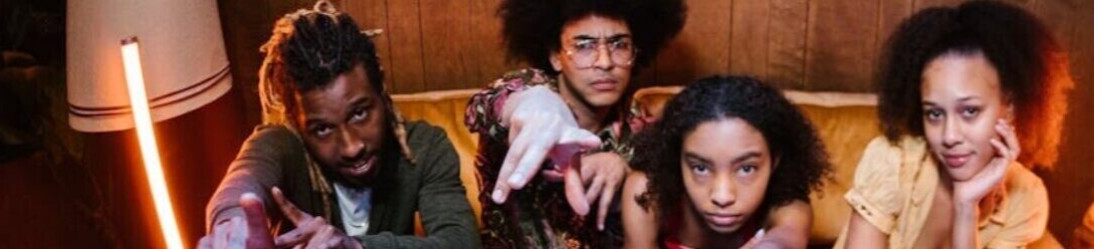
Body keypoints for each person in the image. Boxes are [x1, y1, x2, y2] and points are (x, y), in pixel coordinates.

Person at [196, 2, 477, 248]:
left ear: (381, 87)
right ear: (296, 122)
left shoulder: (425, 148)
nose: (352, 147)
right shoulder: (282, 145)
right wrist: (232, 227)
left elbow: (460, 242)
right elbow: (244, 179)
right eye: (322, 129)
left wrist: (355, 247)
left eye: (360, 113)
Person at [837, 1, 1072, 248]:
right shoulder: (892, 161)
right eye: (935, 114)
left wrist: (965, 208)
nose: (949, 136)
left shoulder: (1025, 196)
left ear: (1010, 108)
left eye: (970, 111)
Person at [461, 0, 685, 247]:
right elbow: (484, 106)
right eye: (584, 46)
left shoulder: (641, 125)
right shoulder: (530, 89)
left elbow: (671, 205)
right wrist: (537, 106)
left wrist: (627, 175)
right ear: (556, 57)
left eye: (619, 45)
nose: (605, 62)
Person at [621, 76, 829, 249]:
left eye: (746, 169)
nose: (722, 196)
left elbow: (785, 238)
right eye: (700, 168)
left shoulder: (788, 204)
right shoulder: (646, 193)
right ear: (678, 160)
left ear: (774, 161)